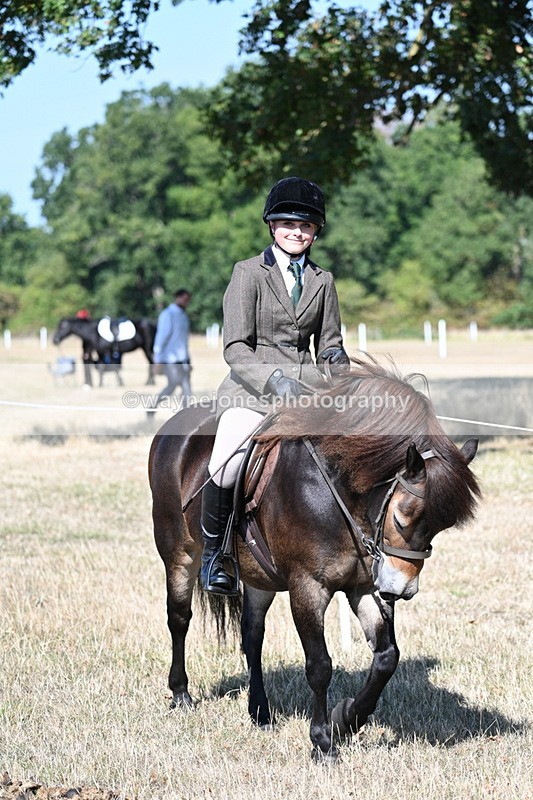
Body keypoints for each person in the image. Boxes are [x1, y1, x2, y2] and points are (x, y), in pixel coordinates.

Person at [201, 176, 349, 594]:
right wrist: (274, 379)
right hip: (251, 392)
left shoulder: (324, 281)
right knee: (226, 462)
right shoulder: (247, 273)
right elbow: (235, 348)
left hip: (307, 396)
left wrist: (336, 363)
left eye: (305, 226)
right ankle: (217, 557)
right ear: (272, 225)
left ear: (315, 231)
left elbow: (331, 344)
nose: (297, 232)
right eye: (288, 224)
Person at [150, 289, 192, 413]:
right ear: (177, 298)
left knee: (187, 389)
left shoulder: (184, 316)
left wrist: (188, 359)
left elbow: (183, 341)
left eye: (187, 300)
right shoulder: (167, 314)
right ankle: (152, 407)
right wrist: (157, 359)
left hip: (182, 359)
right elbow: (161, 337)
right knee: (172, 385)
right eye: (184, 300)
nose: (186, 303)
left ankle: (185, 415)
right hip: (170, 360)